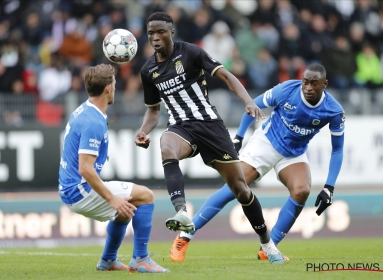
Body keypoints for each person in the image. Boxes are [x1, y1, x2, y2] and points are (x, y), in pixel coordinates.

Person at [135, 12, 285, 264]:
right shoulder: (148, 70)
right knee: (166, 145)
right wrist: (143, 130)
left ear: (171, 33)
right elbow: (153, 110)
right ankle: (182, 212)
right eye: (151, 33)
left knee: (241, 189)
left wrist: (248, 101)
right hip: (181, 127)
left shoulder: (192, 52)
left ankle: (267, 244)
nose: (155, 37)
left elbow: (226, 75)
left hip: (211, 127)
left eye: (161, 32)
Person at [169, 63, 345, 262]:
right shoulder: (286, 90)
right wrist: (239, 137)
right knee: (234, 188)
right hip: (266, 142)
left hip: (293, 153)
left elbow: (337, 149)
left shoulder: (333, 111)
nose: (308, 87)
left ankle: (269, 249)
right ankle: (184, 237)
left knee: (302, 190)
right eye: (306, 82)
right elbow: (253, 105)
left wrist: (329, 187)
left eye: (314, 83)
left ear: (325, 85)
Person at [58, 64, 169, 273]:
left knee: (126, 210)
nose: (116, 88)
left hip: (70, 188)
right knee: (145, 196)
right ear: (108, 88)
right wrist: (112, 198)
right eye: (115, 84)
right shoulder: (94, 121)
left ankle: (108, 260)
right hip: (79, 190)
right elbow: (85, 168)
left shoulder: (85, 110)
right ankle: (141, 259)